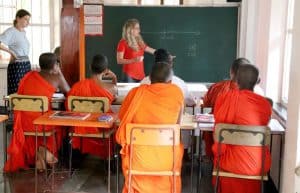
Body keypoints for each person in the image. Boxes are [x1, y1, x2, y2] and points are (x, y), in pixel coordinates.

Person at [116, 61, 184, 193]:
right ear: (170, 82)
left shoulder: (135, 93)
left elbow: (122, 118)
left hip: (138, 160)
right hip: (166, 161)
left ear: (150, 79)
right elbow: (177, 125)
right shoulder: (176, 92)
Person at [4, 53, 70, 172]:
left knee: (36, 126)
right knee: (61, 125)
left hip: (24, 124)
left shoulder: (28, 76)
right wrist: (59, 73)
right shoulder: (56, 77)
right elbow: (69, 92)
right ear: (55, 65)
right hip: (42, 124)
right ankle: (43, 150)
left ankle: (38, 154)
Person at [212, 64, 272, 193]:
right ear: (257, 82)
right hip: (257, 164)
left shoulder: (225, 98)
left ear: (236, 80)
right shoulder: (265, 104)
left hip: (230, 163)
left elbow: (218, 128)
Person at [141, 48, 195, 160]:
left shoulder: (143, 83)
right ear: (170, 64)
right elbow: (190, 102)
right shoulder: (179, 84)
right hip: (170, 136)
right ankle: (184, 154)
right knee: (183, 123)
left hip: (144, 137)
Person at [67, 54, 117, 158]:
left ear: (90, 67)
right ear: (105, 70)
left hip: (80, 126)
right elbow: (114, 94)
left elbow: (68, 106)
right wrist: (113, 76)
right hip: (101, 128)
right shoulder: (110, 88)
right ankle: (109, 157)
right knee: (116, 122)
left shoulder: (77, 86)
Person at [202, 57, 250, 158]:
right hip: (247, 153)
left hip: (220, 148)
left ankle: (210, 160)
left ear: (231, 72)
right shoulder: (256, 97)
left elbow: (205, 105)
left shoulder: (217, 88)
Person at [0, 9, 31, 95]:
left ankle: (24, 109)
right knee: (16, 91)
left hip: (26, 64)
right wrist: (11, 52)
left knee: (25, 90)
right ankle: (14, 109)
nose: (28, 22)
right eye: (26, 19)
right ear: (18, 18)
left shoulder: (23, 32)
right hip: (17, 65)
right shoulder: (11, 31)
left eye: (29, 20)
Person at [117, 18, 156, 83]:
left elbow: (151, 50)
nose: (139, 30)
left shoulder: (139, 41)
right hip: (129, 76)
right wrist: (134, 60)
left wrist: (165, 55)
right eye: (137, 28)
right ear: (131, 29)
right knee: (129, 93)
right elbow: (119, 60)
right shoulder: (122, 43)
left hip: (141, 76)